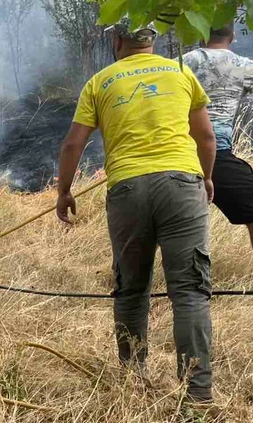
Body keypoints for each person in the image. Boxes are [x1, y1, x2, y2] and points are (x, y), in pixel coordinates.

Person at [55, 23, 218, 403]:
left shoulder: (100, 81)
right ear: (153, 41)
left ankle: (133, 381)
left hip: (127, 190)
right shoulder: (180, 71)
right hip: (182, 185)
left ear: (117, 42)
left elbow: (72, 144)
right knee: (190, 292)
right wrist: (206, 178)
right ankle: (197, 397)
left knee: (131, 291)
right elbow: (206, 137)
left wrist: (64, 191)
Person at [182, 24, 253, 276]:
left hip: (176, 154)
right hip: (218, 156)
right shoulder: (242, 64)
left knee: (166, 220)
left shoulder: (182, 62)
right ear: (232, 37)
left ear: (202, 34)